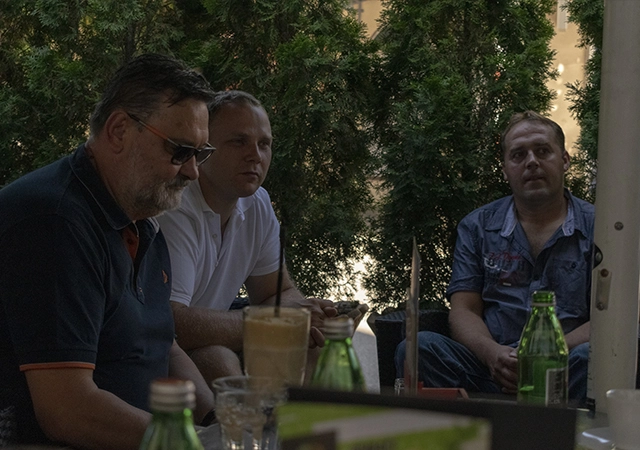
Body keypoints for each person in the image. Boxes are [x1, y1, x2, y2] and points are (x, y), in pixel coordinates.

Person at [0, 54, 217, 449]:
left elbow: (162, 345)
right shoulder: (53, 221)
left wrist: (216, 423)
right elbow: (66, 409)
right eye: (179, 150)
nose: (192, 172)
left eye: (200, 154)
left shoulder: (140, 218)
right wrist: (193, 444)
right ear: (119, 130)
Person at [396, 111, 593, 403]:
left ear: (564, 160)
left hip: (565, 370)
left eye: (542, 151)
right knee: (418, 349)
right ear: (505, 170)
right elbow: (464, 310)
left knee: (592, 357)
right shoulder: (477, 227)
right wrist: (492, 355)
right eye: (518, 155)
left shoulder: (601, 227)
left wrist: (549, 355)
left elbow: (611, 317)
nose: (531, 162)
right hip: (492, 370)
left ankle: (554, 430)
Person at [156, 90, 345, 383]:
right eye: (238, 141)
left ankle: (303, 414)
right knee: (217, 358)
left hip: (208, 343)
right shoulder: (176, 206)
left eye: (264, 144)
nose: (255, 156)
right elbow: (171, 322)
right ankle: (246, 415)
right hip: (158, 355)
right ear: (204, 148)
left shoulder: (256, 204)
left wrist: (307, 316)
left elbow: (276, 293)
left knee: (315, 342)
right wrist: (275, 322)